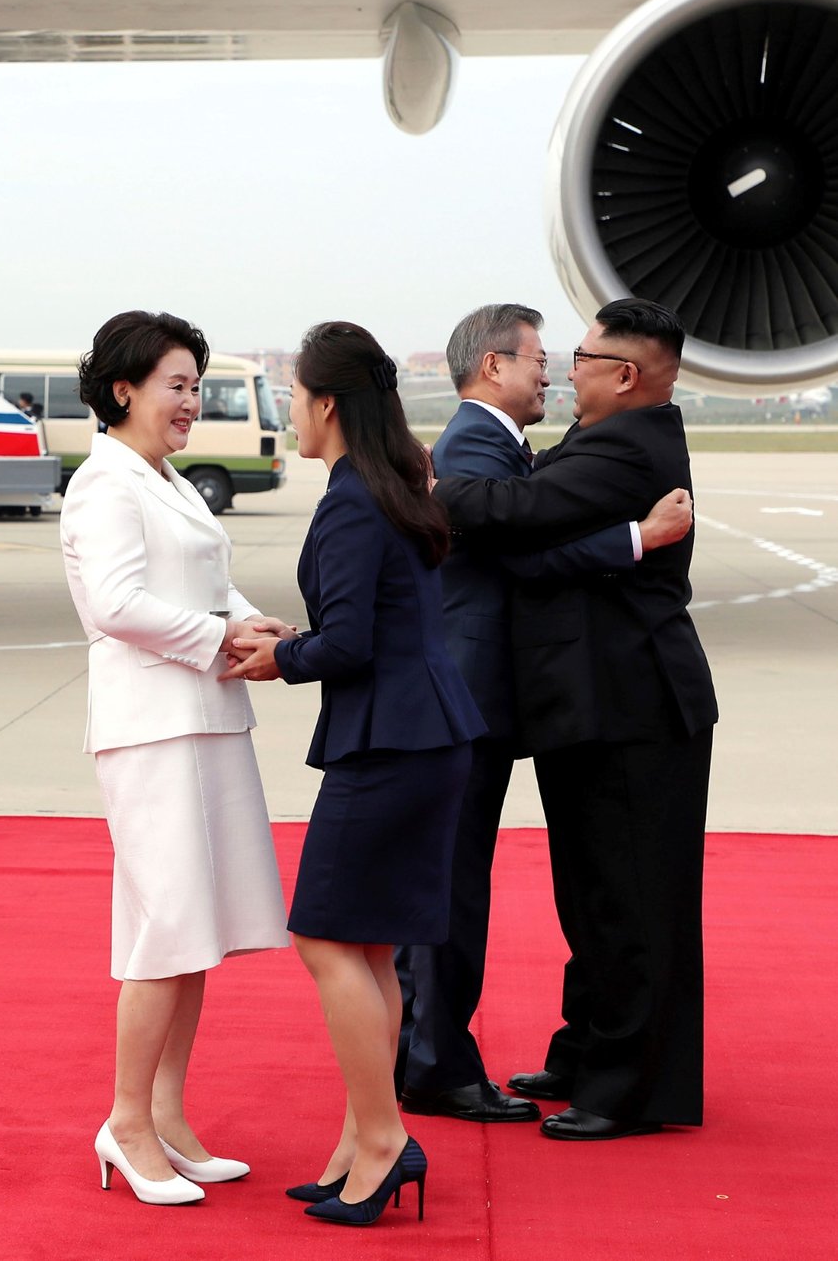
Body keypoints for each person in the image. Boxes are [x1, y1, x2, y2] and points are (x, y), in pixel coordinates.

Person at [395, 303, 695, 1123]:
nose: (563, 369)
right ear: (495, 366)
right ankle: (583, 1056)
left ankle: (627, 1086)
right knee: (592, 896)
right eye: (545, 357)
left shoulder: (624, 445)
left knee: (626, 900)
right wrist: (634, 535)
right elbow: (520, 535)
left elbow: (516, 520)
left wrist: (426, 487)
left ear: (625, 374)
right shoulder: (577, 440)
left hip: (629, 703)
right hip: (586, 703)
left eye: (581, 355)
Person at [220, 321, 485, 1225]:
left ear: (326, 403)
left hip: (392, 745)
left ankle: (382, 1141)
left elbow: (350, 643)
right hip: (425, 736)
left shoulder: (351, 499)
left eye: (294, 395)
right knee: (367, 946)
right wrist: (295, 641)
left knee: (327, 939)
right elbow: (371, 625)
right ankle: (358, 1142)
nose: (291, 410)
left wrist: (275, 657)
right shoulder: (389, 487)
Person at [59, 310, 291, 1204]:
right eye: (178, 385)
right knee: (164, 931)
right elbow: (117, 604)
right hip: (152, 725)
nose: (192, 402)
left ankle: (166, 1114)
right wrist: (219, 637)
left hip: (204, 718)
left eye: (197, 386)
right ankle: (125, 1122)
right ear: (124, 388)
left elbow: (203, 579)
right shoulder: (106, 482)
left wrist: (253, 623)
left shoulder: (166, 477)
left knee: (194, 930)